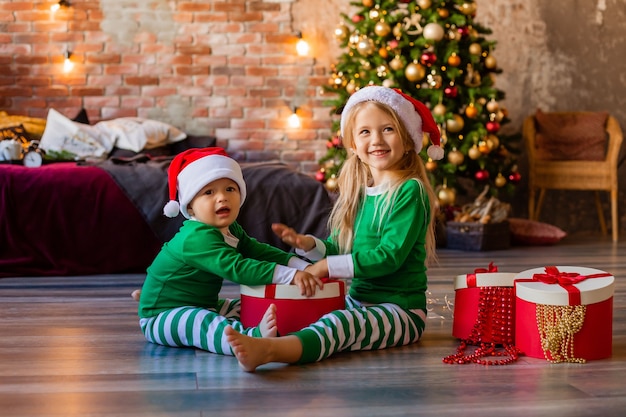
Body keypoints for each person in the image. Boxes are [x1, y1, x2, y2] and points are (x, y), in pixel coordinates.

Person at [225, 85, 443, 371]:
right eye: (365, 131)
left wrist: (327, 267)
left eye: (388, 129)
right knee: (313, 310)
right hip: (358, 301)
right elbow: (342, 248)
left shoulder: (409, 191)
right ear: (353, 145)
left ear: (407, 137)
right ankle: (256, 334)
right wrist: (309, 246)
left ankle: (270, 350)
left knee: (340, 324)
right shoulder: (363, 193)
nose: (376, 139)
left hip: (400, 311)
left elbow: (389, 257)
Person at [137, 147, 323, 355]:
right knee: (199, 321)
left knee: (244, 305)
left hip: (203, 303)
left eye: (229, 189)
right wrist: (291, 276)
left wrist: (300, 264)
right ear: (190, 208)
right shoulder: (196, 238)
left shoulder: (229, 229)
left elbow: (256, 251)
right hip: (163, 315)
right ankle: (252, 339)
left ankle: (275, 325)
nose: (222, 198)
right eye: (209, 192)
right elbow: (238, 268)